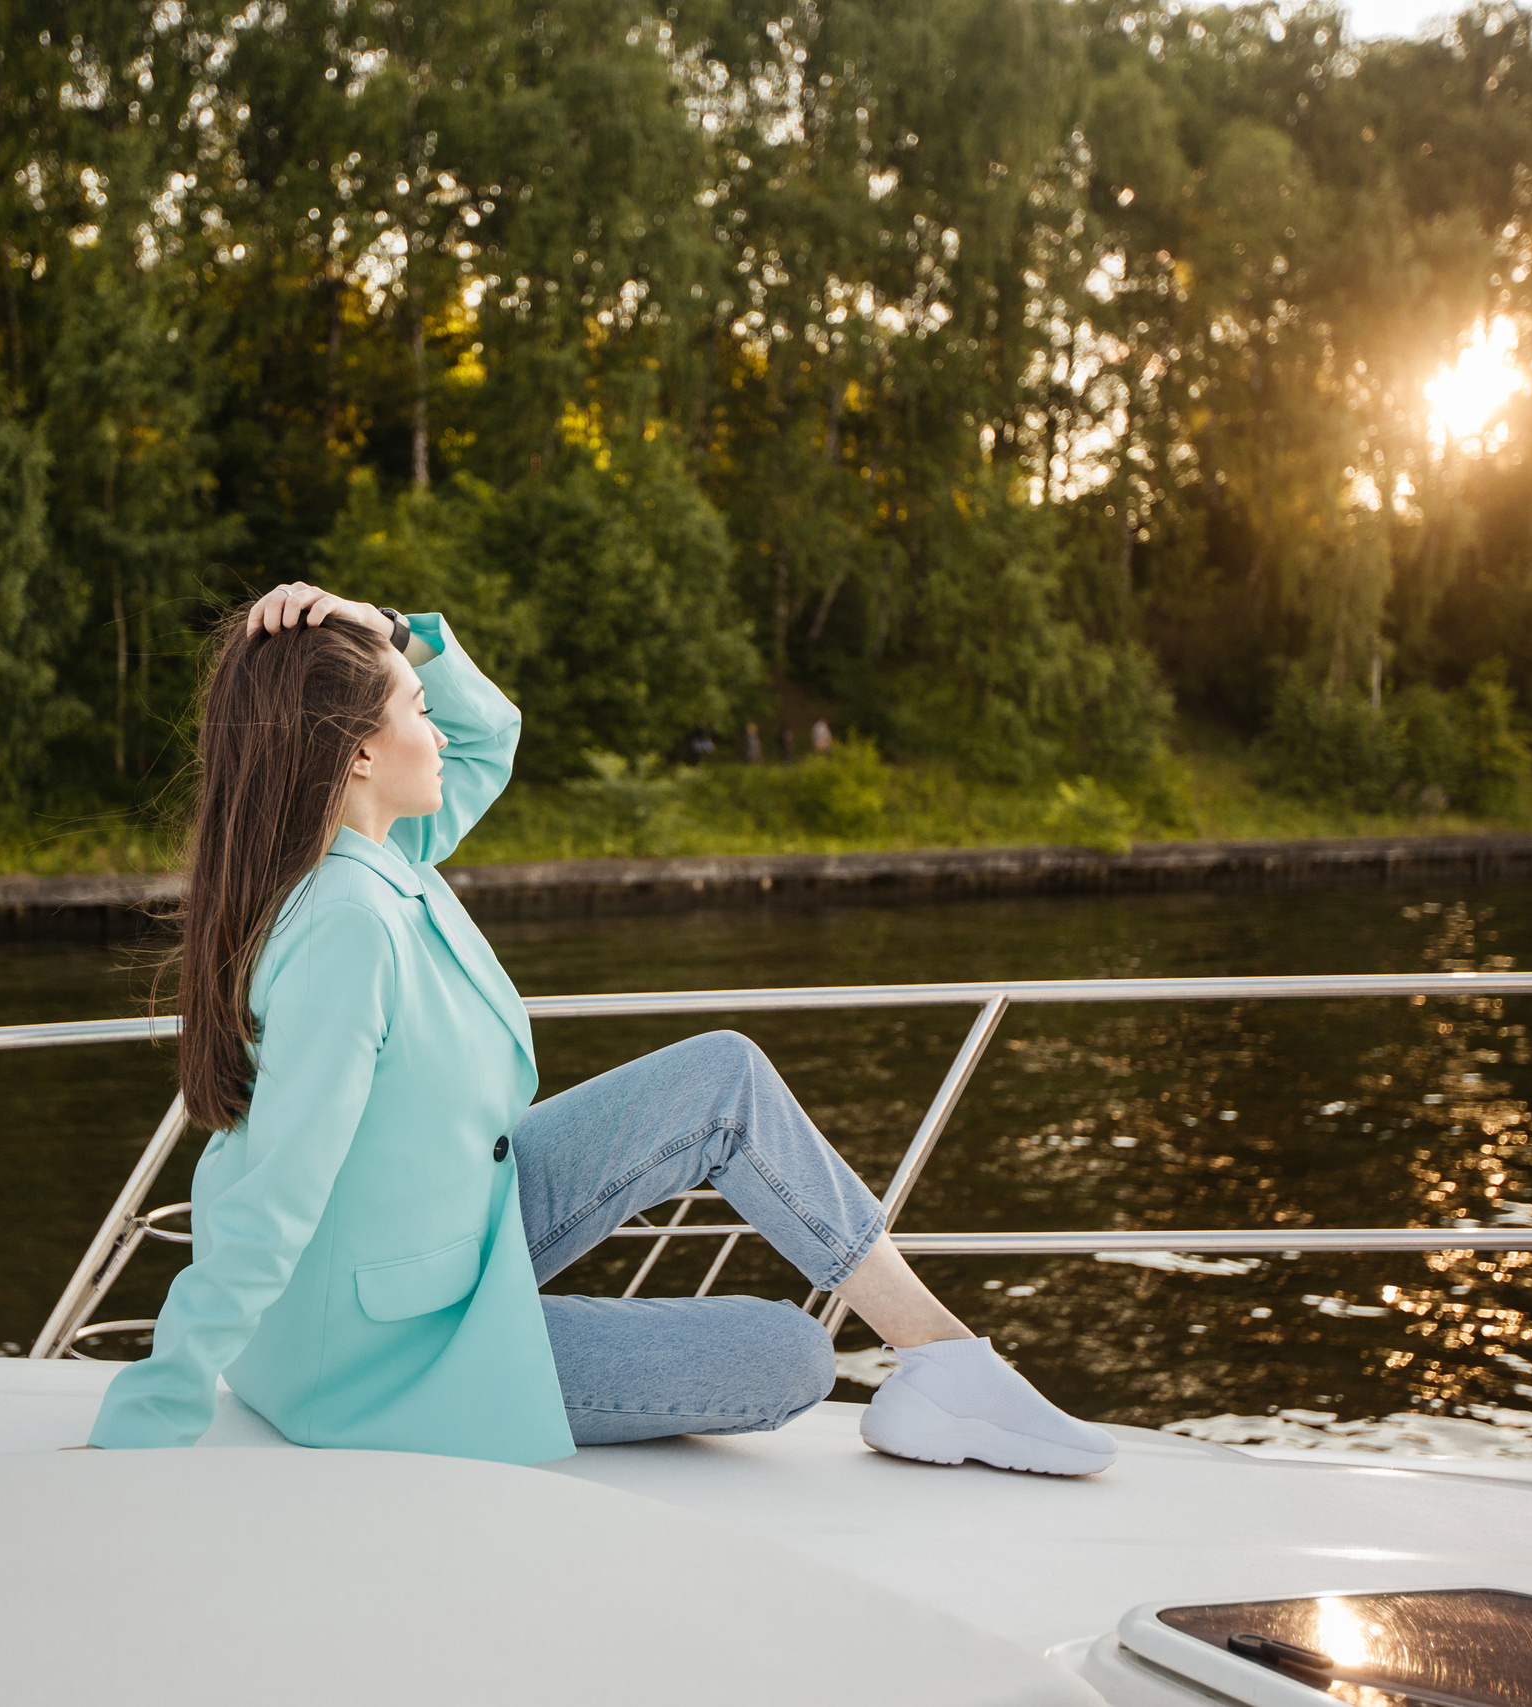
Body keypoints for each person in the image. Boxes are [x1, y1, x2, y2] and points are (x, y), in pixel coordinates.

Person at [82, 583, 1114, 1475]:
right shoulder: (350, 920)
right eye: (415, 710)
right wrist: (153, 1413)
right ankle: (948, 1370)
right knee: (790, 1358)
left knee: (722, 1077)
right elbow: (279, 1193)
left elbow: (496, 733)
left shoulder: (377, 857)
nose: (438, 731)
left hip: (438, 1232)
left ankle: (945, 1363)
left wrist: (390, 628)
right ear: (356, 754)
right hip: (382, 1350)